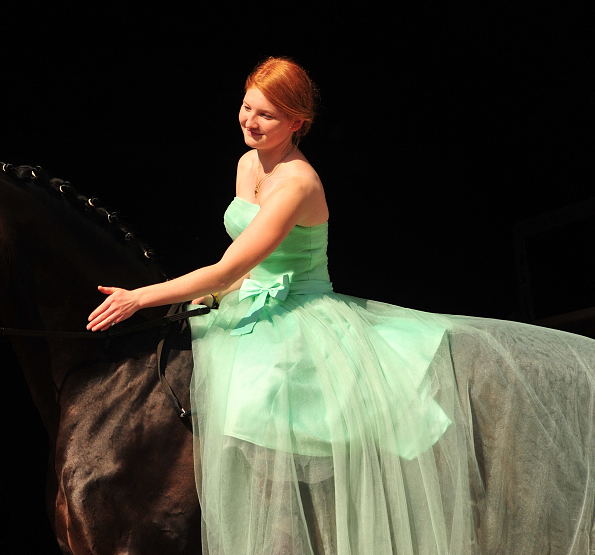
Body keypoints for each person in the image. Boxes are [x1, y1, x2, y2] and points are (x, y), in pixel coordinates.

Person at [88, 58, 595, 555]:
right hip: (251, 303)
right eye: (247, 107)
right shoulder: (248, 162)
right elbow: (235, 267)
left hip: (301, 313)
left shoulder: (297, 184)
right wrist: (215, 295)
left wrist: (142, 296)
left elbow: (226, 268)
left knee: (264, 402)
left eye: (266, 115)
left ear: (296, 123)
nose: (250, 121)